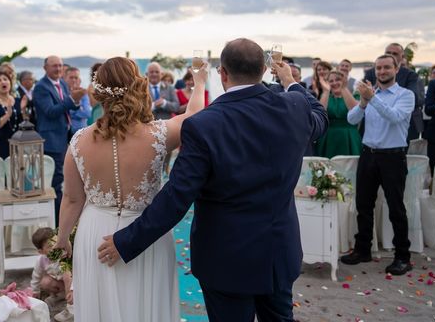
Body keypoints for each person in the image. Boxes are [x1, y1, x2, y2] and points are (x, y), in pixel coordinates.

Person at [95, 40, 328, 322]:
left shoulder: (204, 125)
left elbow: (177, 197)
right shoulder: (294, 108)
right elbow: (320, 116)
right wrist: (291, 83)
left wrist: (126, 241)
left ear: (223, 73)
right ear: (265, 69)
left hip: (226, 260)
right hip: (279, 252)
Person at [54, 56, 209, 322]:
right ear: (138, 87)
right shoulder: (160, 134)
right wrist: (200, 81)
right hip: (146, 235)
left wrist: (62, 239)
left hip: (95, 234)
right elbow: (194, 117)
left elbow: (71, 199)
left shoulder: (79, 141)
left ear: (100, 91)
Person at [342, 54, 414, 275]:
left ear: (397, 68)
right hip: (368, 155)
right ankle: (363, 249)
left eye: (386, 68)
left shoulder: (406, 95)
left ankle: (403, 256)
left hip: (392, 157)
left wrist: (371, 98)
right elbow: (351, 120)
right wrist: (363, 102)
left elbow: (393, 116)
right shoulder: (370, 95)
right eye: (378, 68)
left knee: (396, 208)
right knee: (364, 205)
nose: (382, 71)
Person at [34, 56, 86, 222]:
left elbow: (67, 107)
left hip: (65, 136)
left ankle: (64, 217)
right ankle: (57, 221)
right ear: (45, 68)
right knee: (56, 182)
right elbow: (50, 111)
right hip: (51, 139)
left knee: (66, 179)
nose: (58, 69)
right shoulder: (41, 87)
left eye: (60, 66)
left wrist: (75, 102)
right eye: (54, 66)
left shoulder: (62, 83)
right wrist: (72, 100)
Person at [364, 43, 424, 140]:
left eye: (395, 53)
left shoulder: (411, 75)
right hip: (375, 124)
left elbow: (415, 97)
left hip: (403, 125)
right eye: (388, 52)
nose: (391, 55)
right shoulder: (371, 72)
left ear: (402, 56)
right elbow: (363, 95)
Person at [30, 228, 74, 321]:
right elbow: (36, 276)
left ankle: (70, 307)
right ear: (41, 251)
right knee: (45, 282)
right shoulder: (41, 260)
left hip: (73, 283)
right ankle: (60, 296)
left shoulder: (64, 252)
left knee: (67, 277)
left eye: (55, 241)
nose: (55, 246)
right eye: (50, 246)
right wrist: (35, 292)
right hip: (59, 283)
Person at [315, 70, 361, 158]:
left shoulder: (355, 96)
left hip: (349, 138)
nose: (334, 83)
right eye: (331, 81)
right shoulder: (326, 97)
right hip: (328, 139)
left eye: (338, 80)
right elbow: (320, 113)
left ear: (344, 81)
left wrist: (343, 88)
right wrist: (326, 91)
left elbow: (354, 111)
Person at [0, 71, 25, 159]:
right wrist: (8, 114)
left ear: (10, 83)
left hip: (16, 146)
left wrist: (23, 111)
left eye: (5, 79)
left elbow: (21, 123)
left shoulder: (17, 100)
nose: (3, 82)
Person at [65, 67, 91, 135]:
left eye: (76, 78)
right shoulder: (62, 93)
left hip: (80, 132)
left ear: (79, 79)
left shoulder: (83, 94)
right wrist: (80, 109)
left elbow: (87, 113)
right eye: (71, 77)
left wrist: (72, 111)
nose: (73, 80)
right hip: (65, 133)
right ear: (65, 78)